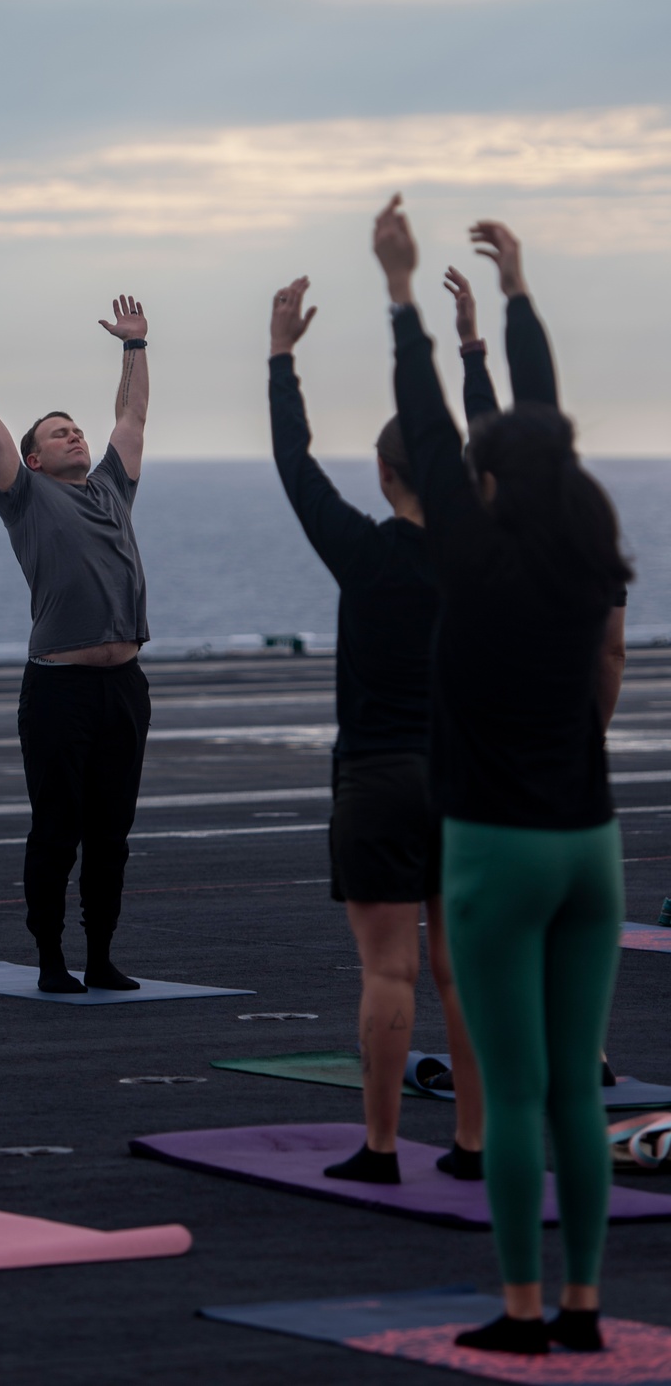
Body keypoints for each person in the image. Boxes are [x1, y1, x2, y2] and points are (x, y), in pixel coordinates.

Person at [374, 194, 630, 1354]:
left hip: (495, 847)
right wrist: (518, 296)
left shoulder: (466, 556)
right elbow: (538, 422)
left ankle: (521, 1310)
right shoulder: (587, 542)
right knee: (579, 1090)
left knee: (516, 1096)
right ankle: (583, 1308)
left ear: (477, 480)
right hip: (593, 846)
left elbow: (428, 426)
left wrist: (396, 293)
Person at [268, 276, 483, 1184]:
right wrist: (470, 349)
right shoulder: (486, 553)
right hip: (472, 784)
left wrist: (281, 356)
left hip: (379, 779)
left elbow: (293, 462)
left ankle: (384, 1147)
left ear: (386, 476)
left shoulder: (359, 551)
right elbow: (496, 448)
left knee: (387, 973)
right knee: (459, 972)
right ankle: (472, 1147)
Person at [0, 286, 150, 993]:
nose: (74, 435)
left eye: (74, 428)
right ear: (30, 461)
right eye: (57, 433)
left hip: (125, 687)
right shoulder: (23, 497)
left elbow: (132, 414)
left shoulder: (113, 488)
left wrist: (135, 345)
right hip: (58, 689)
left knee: (112, 834)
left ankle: (102, 956)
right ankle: (51, 959)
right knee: (59, 829)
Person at [443, 250, 628, 735]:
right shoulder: (586, 548)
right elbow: (611, 653)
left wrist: (469, 347)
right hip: (572, 774)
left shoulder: (474, 557)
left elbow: (492, 439)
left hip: (478, 775)